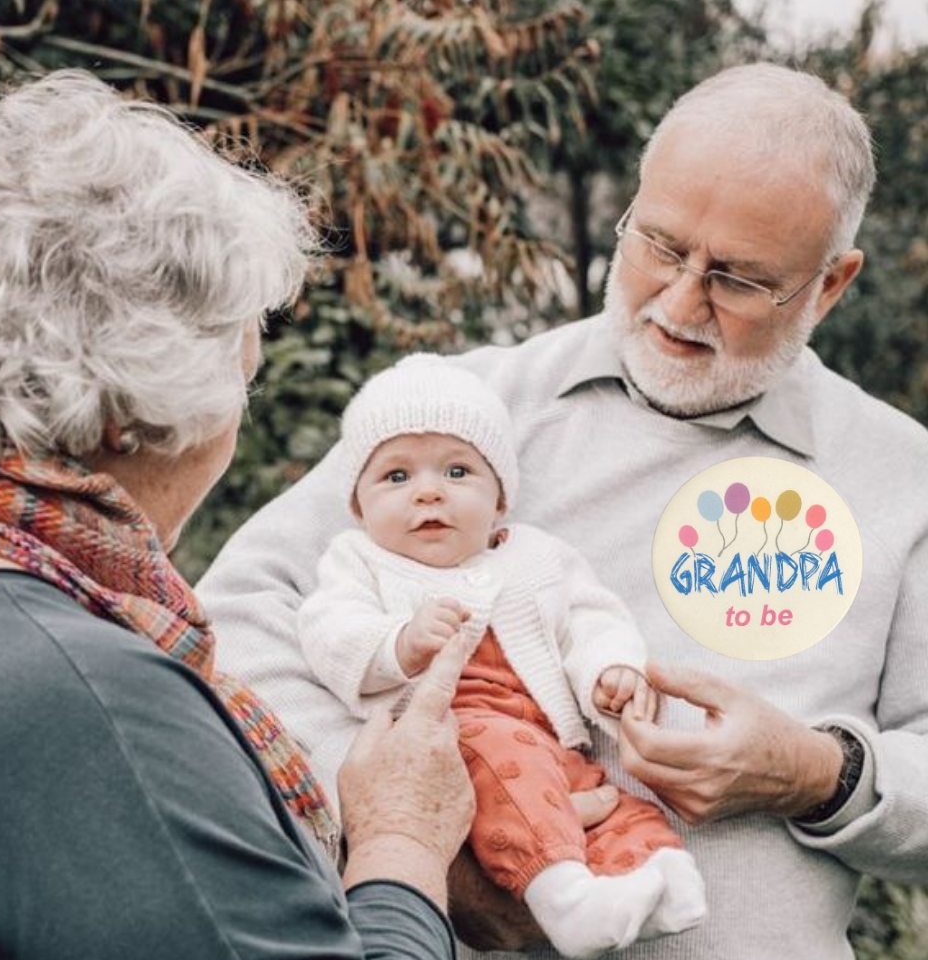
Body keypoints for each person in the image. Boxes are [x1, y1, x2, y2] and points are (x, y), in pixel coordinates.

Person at [197, 62, 928, 960]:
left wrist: (819, 775)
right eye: (659, 245)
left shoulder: (905, 478)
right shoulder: (457, 415)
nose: (677, 302)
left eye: (738, 280)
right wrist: (414, 839)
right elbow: (232, 616)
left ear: (830, 284)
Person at [0, 69, 483, 960]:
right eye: (241, 376)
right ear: (132, 411)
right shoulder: (95, 708)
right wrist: (400, 847)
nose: (236, 418)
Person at [299, 355, 707, 958]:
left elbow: (591, 617)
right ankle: (564, 897)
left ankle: (659, 882)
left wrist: (609, 670)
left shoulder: (538, 557)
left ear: (500, 500)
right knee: (514, 776)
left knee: (618, 807)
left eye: (458, 471)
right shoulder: (357, 562)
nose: (429, 491)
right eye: (395, 477)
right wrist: (398, 643)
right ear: (358, 506)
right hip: (451, 742)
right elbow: (328, 631)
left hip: (552, 742)